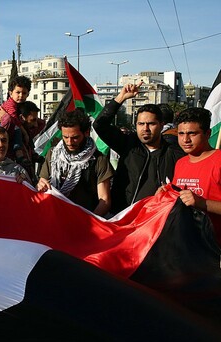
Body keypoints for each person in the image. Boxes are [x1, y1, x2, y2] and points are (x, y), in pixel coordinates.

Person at [93, 82, 184, 213]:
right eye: (141, 124)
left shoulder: (174, 153)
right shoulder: (128, 144)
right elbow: (100, 125)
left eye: (151, 124)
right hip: (123, 216)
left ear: (161, 125)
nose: (145, 129)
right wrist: (121, 97)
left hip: (155, 220)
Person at [37, 109, 114, 217]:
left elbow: (104, 200)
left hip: (85, 218)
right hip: (55, 216)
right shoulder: (52, 154)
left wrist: (88, 222)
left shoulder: (98, 159)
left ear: (86, 132)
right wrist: (41, 184)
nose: (69, 142)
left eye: (75, 138)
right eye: (65, 137)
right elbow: (42, 181)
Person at [167, 107, 221, 244]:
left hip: (215, 249)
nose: (185, 139)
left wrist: (202, 203)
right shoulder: (180, 163)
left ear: (208, 133)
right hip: (187, 248)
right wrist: (166, 195)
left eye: (192, 133)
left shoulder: (219, 160)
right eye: (181, 133)